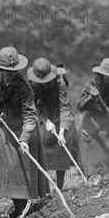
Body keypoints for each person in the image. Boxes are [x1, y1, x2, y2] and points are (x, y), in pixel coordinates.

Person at [0, 47, 49, 218]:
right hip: (6, 130)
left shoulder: (23, 87)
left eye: (14, 71)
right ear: (1, 70)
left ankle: (24, 206)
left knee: (22, 169)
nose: (11, 74)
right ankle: (17, 206)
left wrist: (25, 139)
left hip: (24, 132)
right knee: (9, 169)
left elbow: (30, 116)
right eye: (8, 71)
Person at [27, 58, 78, 189]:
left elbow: (64, 107)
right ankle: (44, 189)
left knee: (61, 149)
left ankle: (59, 187)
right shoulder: (33, 84)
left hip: (59, 115)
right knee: (43, 150)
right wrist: (46, 121)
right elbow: (34, 106)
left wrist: (61, 132)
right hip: (45, 114)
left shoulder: (59, 82)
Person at [77, 58, 109, 176]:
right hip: (90, 127)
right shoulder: (90, 85)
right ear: (102, 74)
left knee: (108, 165)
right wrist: (91, 98)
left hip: (106, 126)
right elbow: (80, 106)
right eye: (108, 76)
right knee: (91, 166)